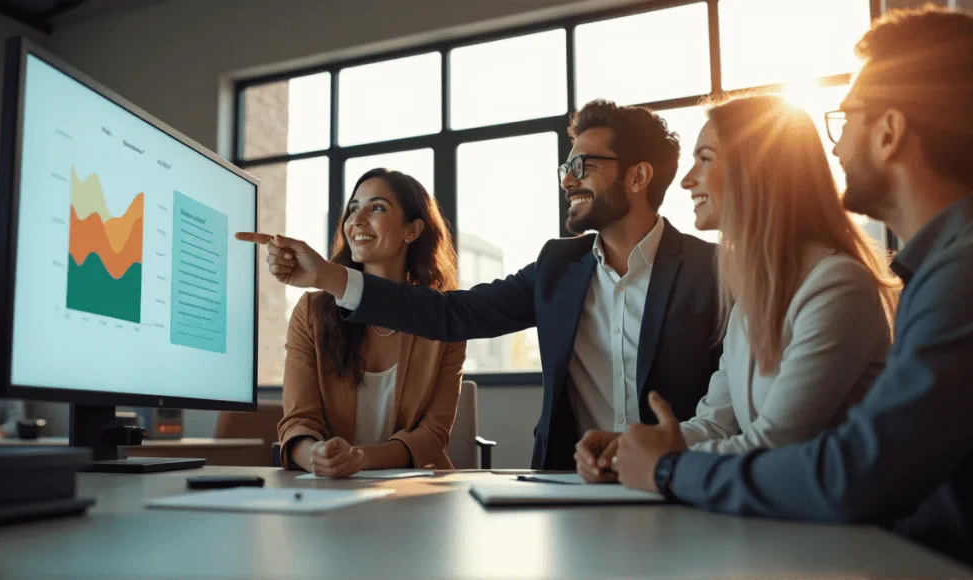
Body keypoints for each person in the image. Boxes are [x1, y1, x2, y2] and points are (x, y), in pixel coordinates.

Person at [610, 6, 973, 565]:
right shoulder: (936, 274)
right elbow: (727, 420)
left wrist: (666, 468)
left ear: (889, 132)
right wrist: (635, 451)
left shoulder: (951, 279)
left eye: (845, 119)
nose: (836, 147)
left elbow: (853, 472)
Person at [242, 100, 722, 470]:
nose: (567, 181)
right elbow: (452, 313)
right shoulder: (557, 267)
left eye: (583, 167)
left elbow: (731, 407)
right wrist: (327, 276)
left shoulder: (715, 271)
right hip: (573, 487)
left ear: (638, 176)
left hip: (679, 481)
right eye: (565, 168)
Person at [575, 95, 898, 482]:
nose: (687, 179)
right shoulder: (753, 295)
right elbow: (716, 424)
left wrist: (659, 463)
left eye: (705, 158)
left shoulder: (838, 287)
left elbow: (774, 445)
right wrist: (628, 447)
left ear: (756, 170)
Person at [238, 169, 465, 476]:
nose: (357, 220)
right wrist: (316, 456)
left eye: (377, 207)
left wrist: (358, 459)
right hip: (325, 487)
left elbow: (432, 435)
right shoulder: (312, 312)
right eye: (353, 208)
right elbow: (298, 421)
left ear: (412, 230)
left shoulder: (442, 319)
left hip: (416, 488)